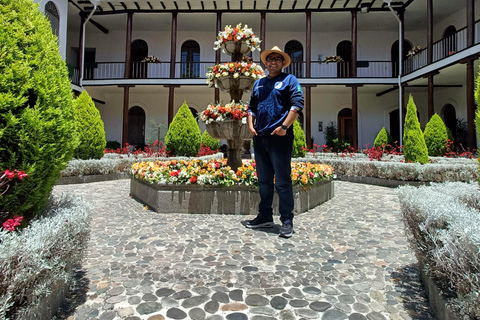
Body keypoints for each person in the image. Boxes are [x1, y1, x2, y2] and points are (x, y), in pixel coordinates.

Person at [245, 46, 304, 238]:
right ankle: (265, 216)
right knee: (263, 181)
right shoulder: (259, 83)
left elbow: (297, 105)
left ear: (282, 62)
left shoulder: (289, 80)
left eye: (277, 59)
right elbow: (251, 107)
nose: (273, 62)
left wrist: (284, 128)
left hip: (280, 138)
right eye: (270, 59)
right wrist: (250, 126)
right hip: (260, 137)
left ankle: (286, 220)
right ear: (265, 62)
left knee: (283, 181)